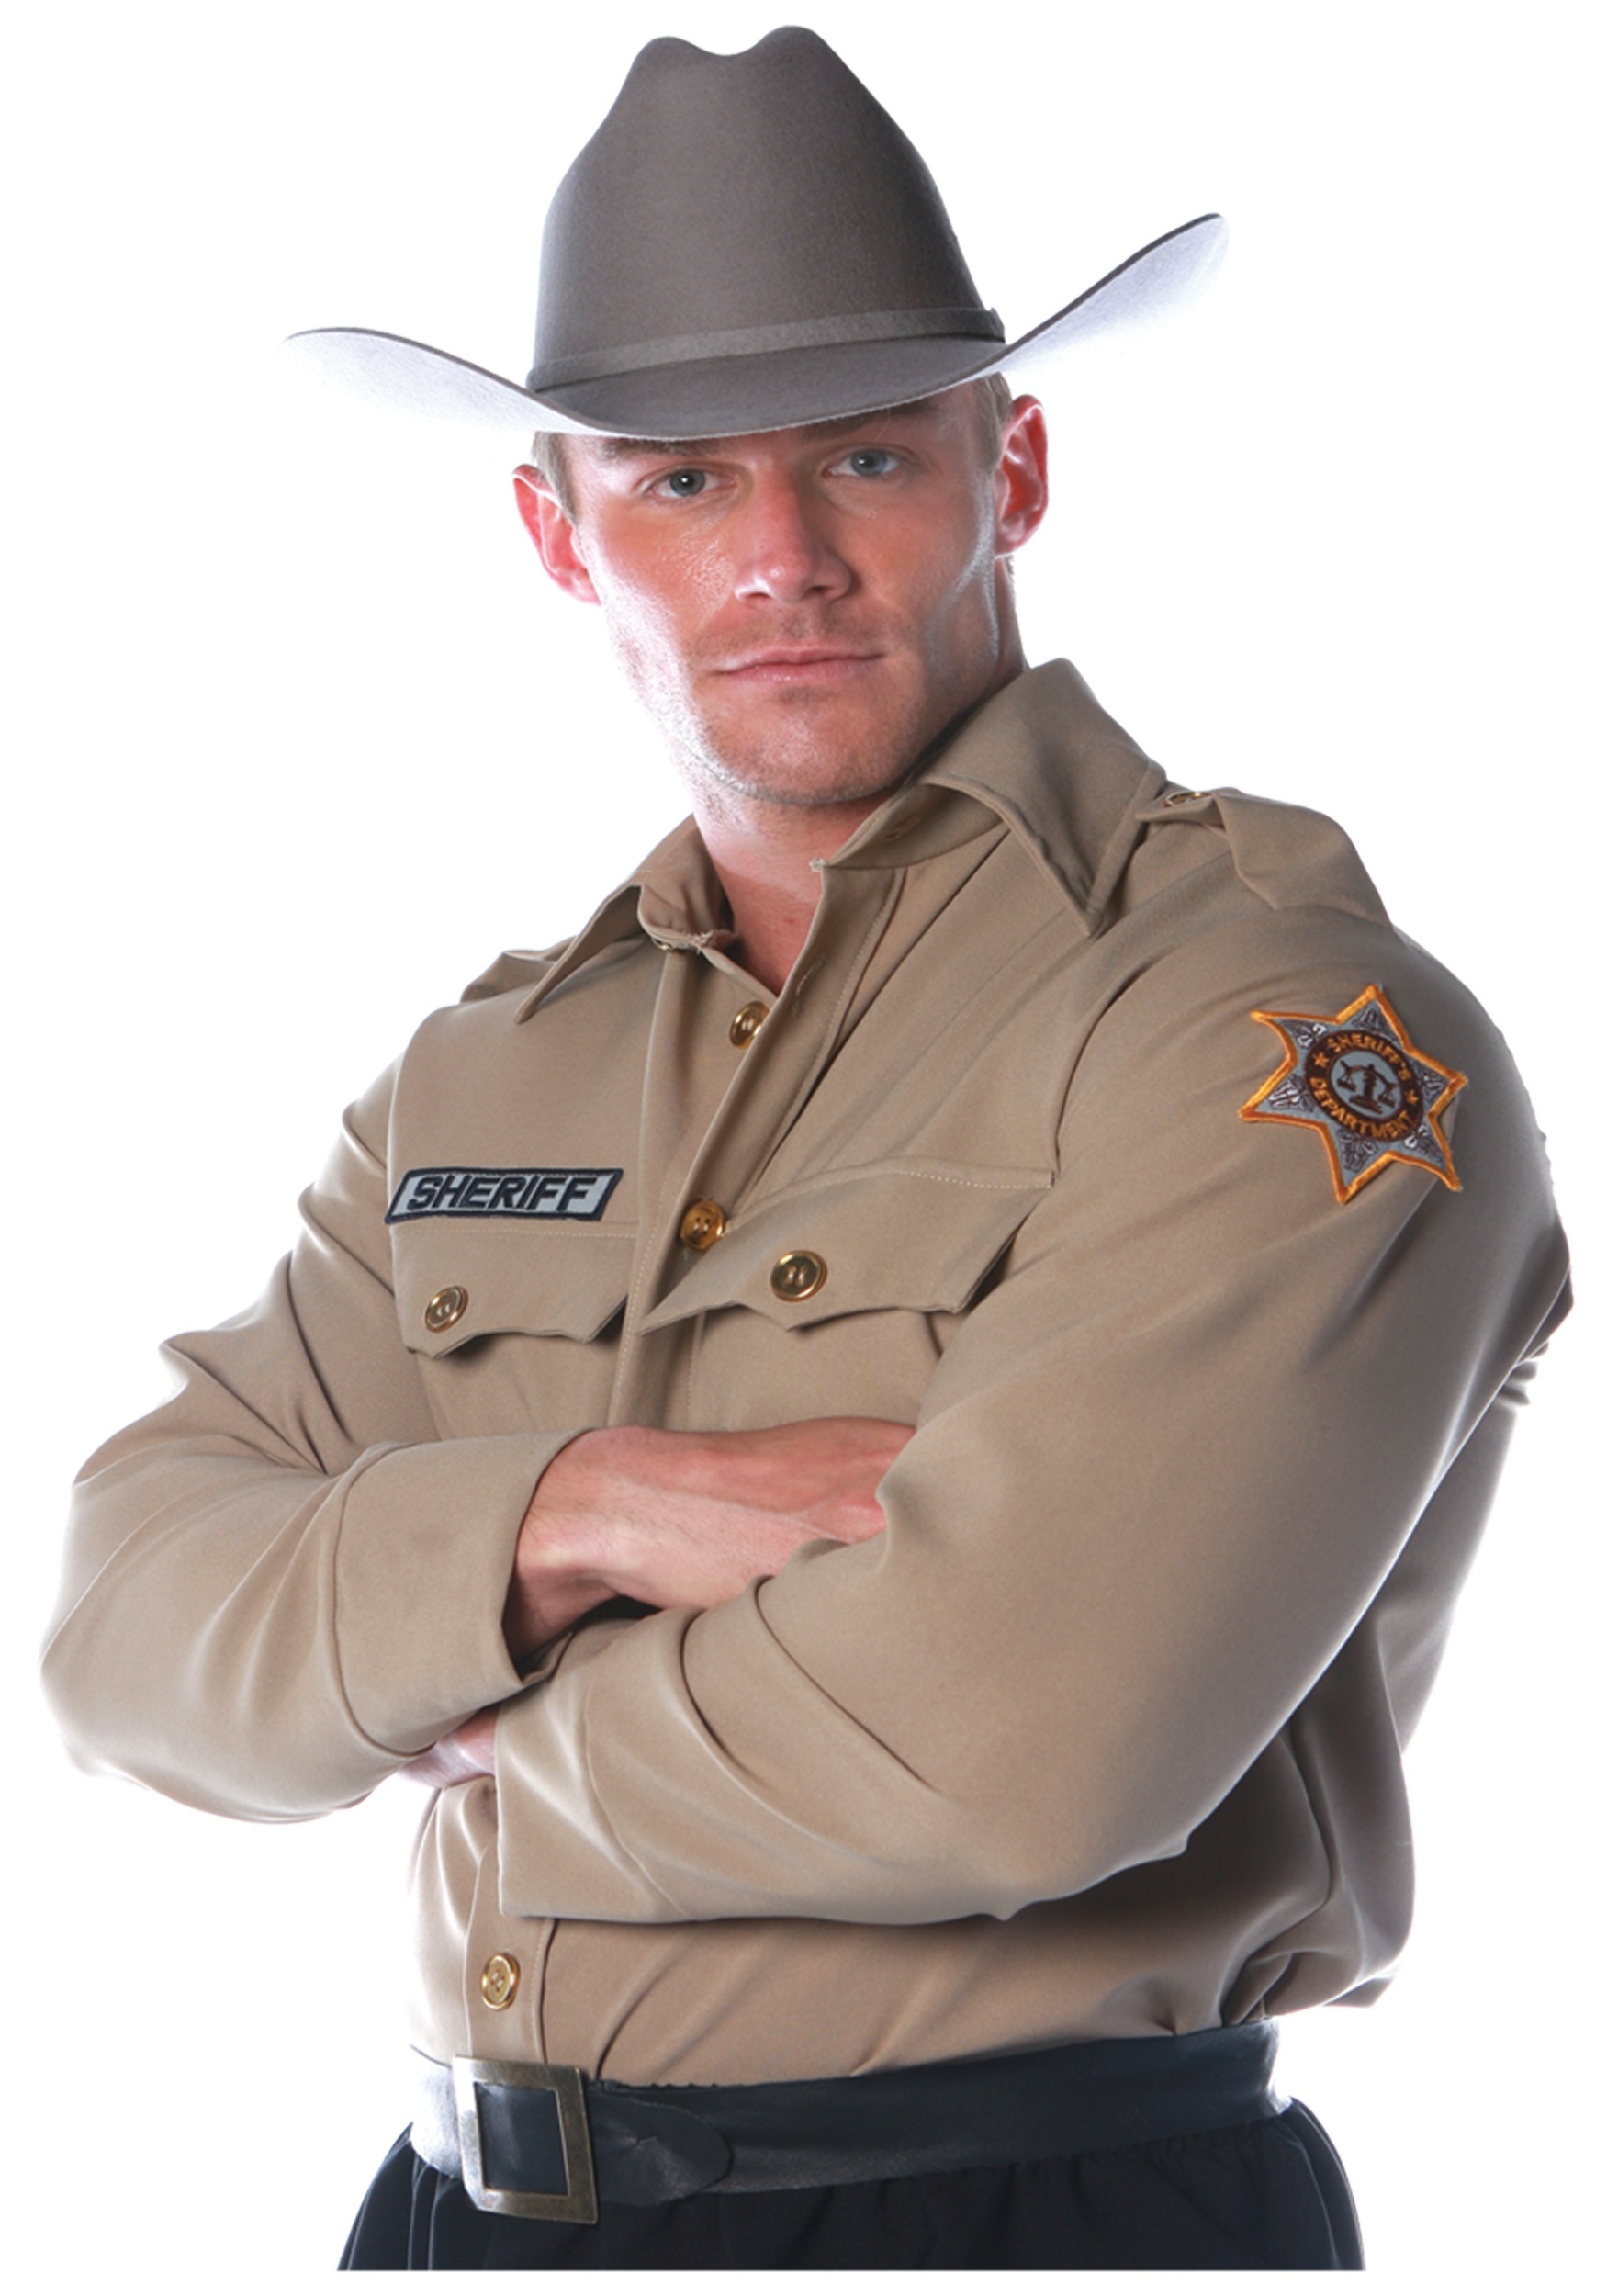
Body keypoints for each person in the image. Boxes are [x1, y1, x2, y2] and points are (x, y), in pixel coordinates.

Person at [42, 25, 1569, 2274]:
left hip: (1021, 2213)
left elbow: (1012, 1748)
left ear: (1008, 466)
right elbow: (117, 1640)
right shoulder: (489, 1074)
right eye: (678, 478)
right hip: (457, 2218)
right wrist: (571, 1509)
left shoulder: (1270, 1027)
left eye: (862, 453)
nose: (782, 557)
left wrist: (434, 1696)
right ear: (557, 530)